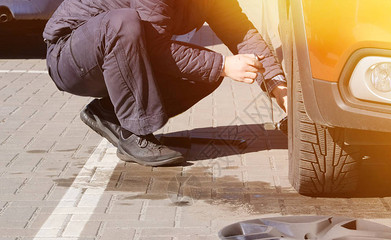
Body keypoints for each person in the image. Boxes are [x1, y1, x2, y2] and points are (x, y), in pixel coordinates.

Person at [43, 0, 288, 166]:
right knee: (123, 23)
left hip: (115, 53)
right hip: (71, 54)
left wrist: (278, 87)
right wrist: (223, 65)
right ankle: (134, 132)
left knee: (205, 74)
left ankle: (109, 114)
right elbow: (156, 48)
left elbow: (240, 32)